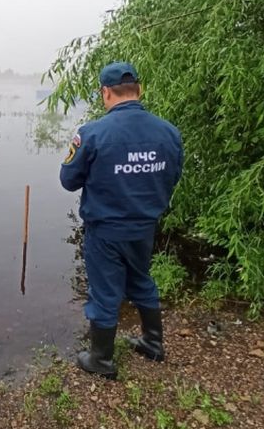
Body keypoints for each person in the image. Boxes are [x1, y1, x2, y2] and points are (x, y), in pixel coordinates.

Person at [59, 61, 183, 379]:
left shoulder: (92, 133)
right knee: (141, 279)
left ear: (105, 93)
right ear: (138, 90)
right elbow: (174, 176)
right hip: (144, 227)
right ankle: (153, 343)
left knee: (104, 291)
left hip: (106, 229)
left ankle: (101, 358)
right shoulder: (169, 132)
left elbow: (68, 180)